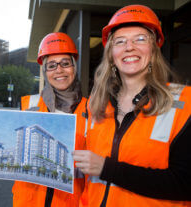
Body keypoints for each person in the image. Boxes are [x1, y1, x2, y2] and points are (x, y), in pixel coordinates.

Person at [72, 4, 191, 207]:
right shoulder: (96, 104)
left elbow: (185, 183)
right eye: (120, 41)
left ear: (154, 49)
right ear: (111, 54)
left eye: (140, 39)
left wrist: (107, 169)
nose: (130, 47)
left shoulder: (184, 103)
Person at [0, 32, 88, 207]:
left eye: (65, 63)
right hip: (28, 202)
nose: (59, 70)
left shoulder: (91, 110)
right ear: (45, 72)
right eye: (51, 65)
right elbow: (9, 146)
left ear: (74, 67)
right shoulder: (29, 104)